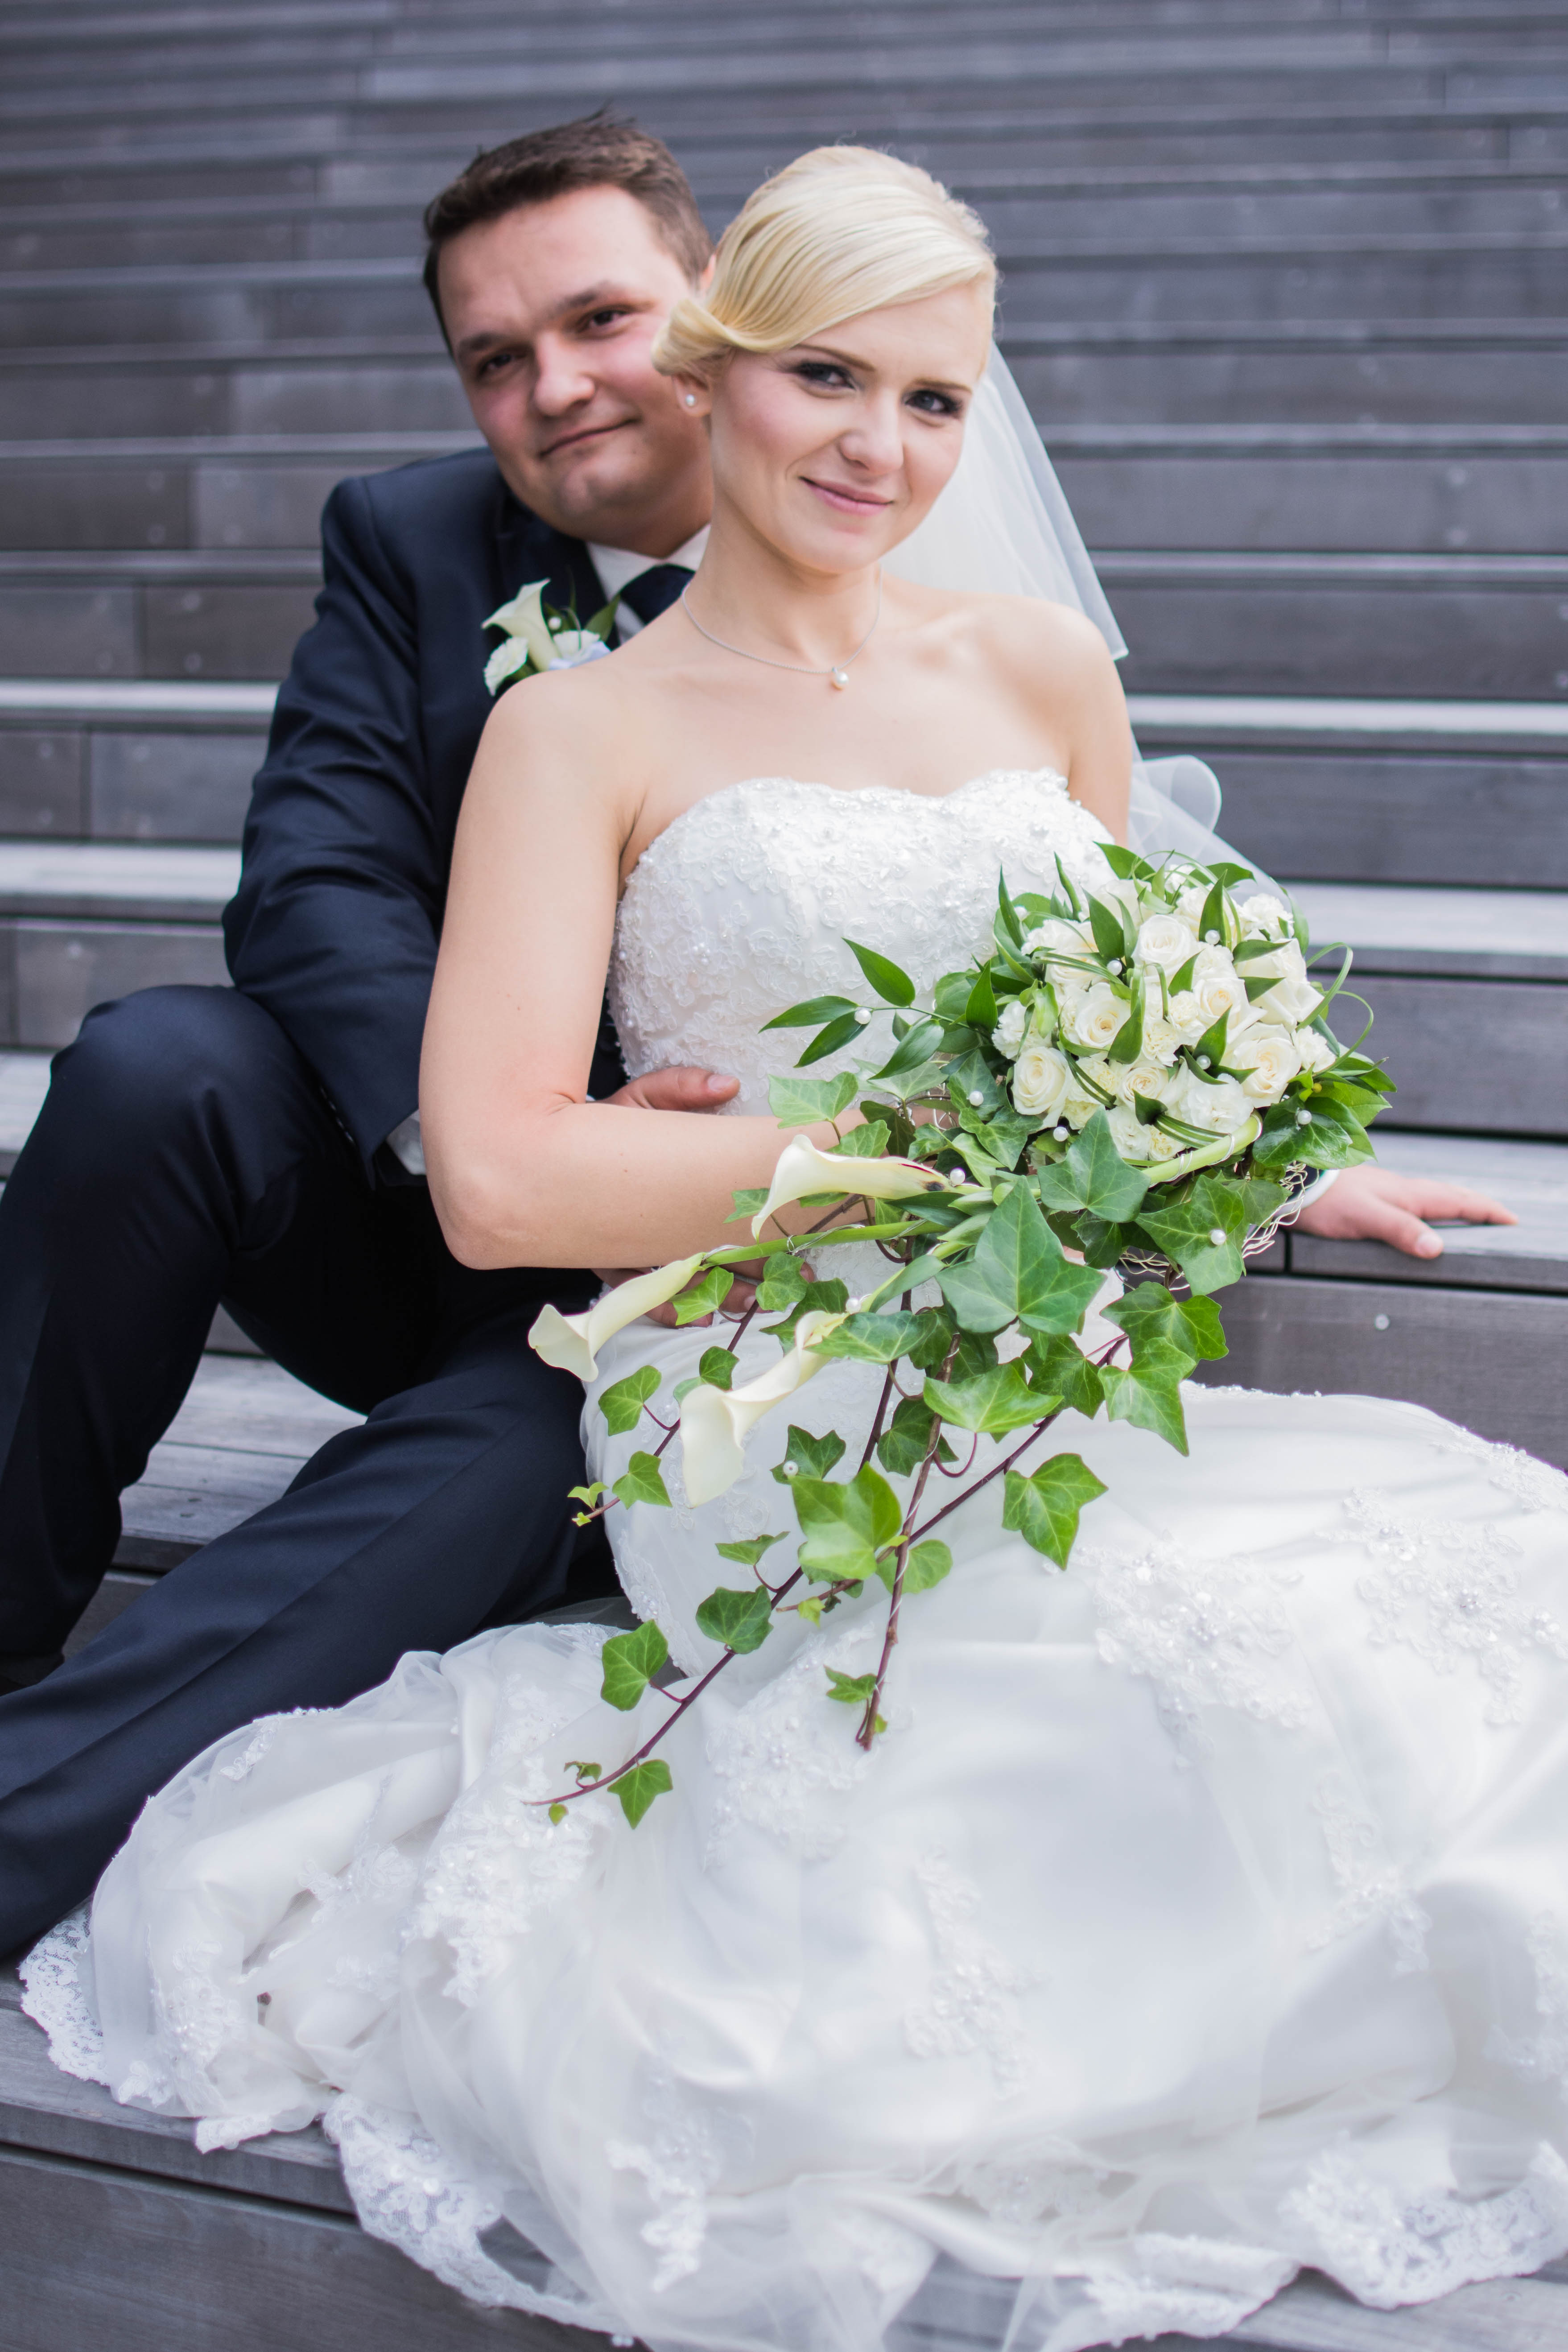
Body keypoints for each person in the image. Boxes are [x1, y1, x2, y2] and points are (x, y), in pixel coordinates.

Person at [30, 149, 1566, 2352]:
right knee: (179, 1092)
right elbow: (352, 951)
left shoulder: (1033, 664)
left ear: (682, 326)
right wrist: (768, 1146)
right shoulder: (537, 669)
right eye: (829, 378)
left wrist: (1232, 1128)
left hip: (931, 1327)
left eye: (935, 399)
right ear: (741, 364)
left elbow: (1119, 966)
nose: (882, 440)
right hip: (640, 1279)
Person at [0, 116, 739, 1957]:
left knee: (505, 1460)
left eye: (600, 320)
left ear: (718, 300)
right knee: (162, 1062)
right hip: (438, 1197)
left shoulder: (911, 572)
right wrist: (511, 1136)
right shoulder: (413, 539)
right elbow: (313, 884)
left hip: (706, 1286)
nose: (554, 389)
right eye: (496, 358)